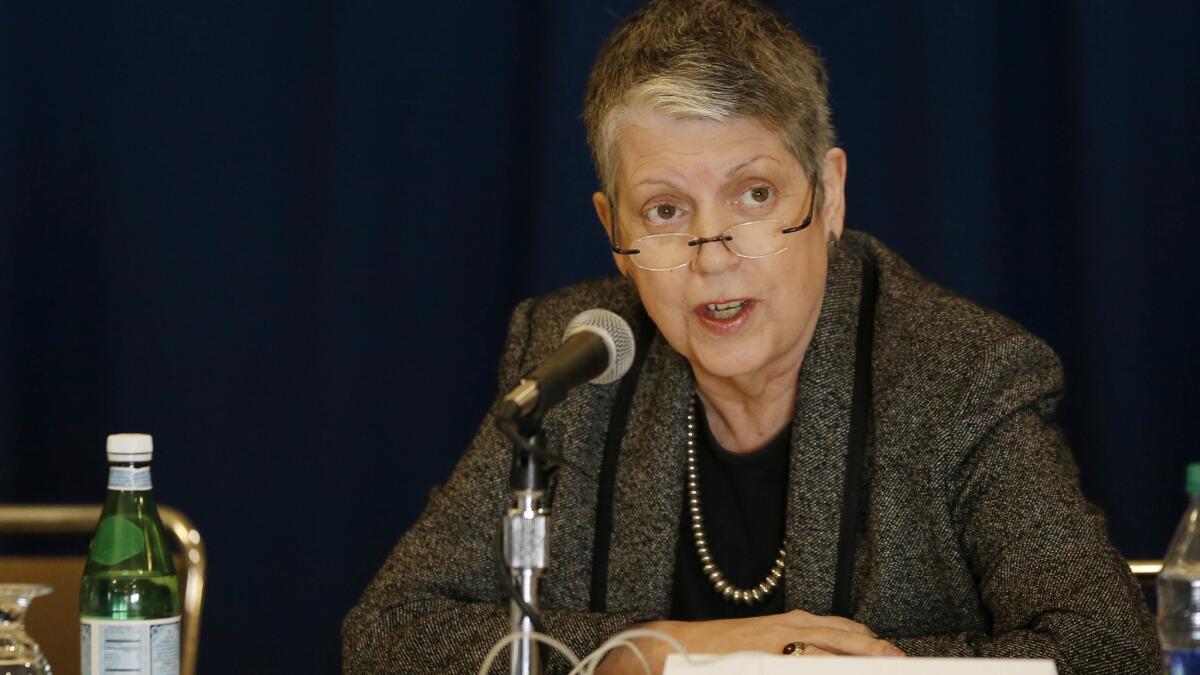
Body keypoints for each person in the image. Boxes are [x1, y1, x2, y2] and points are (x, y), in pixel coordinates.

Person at [342, 1, 1160, 673]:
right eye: (665, 211)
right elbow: (387, 635)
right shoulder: (575, 362)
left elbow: (1109, 653)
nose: (712, 255)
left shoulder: (958, 378)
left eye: (755, 195)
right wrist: (663, 651)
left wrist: (801, 666)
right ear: (612, 228)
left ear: (829, 195)